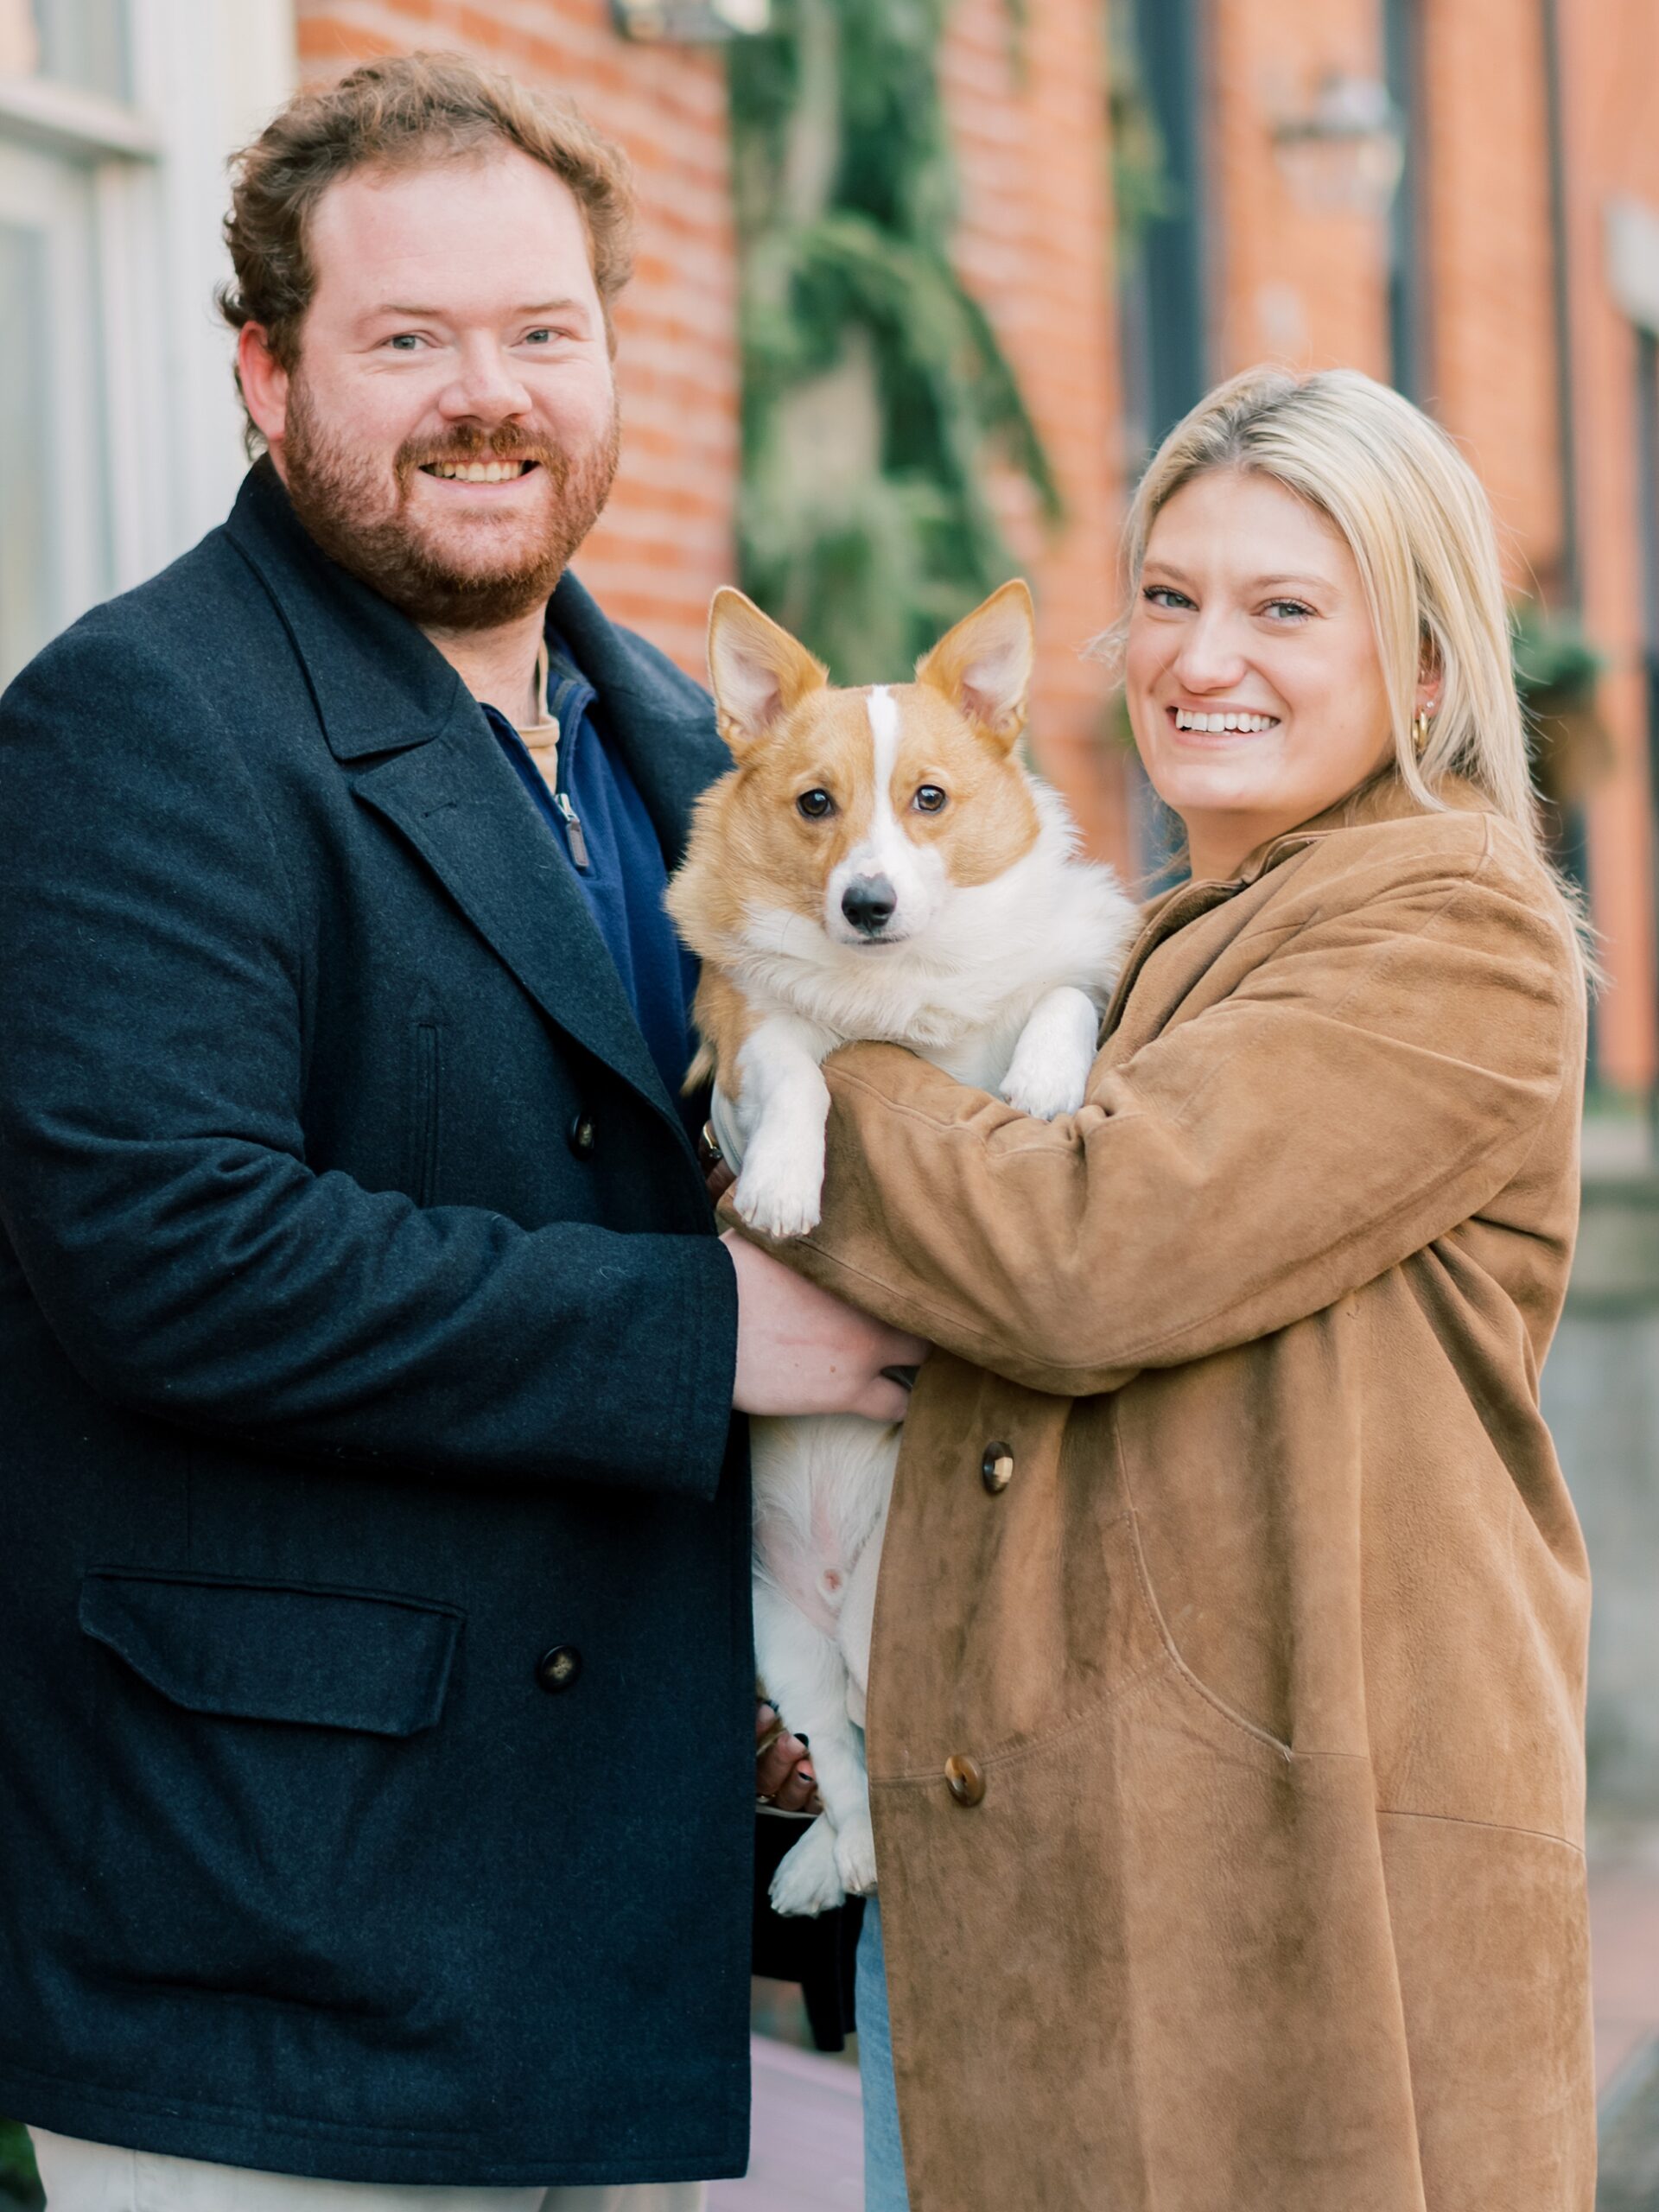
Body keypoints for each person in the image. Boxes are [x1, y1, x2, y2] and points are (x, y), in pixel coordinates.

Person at [0, 50, 921, 2212]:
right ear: (264, 370)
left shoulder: (700, 754)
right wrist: (713, 1332)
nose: (484, 393)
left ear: (614, 354)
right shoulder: (133, 722)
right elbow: (176, 1253)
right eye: (406, 339)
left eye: (539, 332)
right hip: (272, 1946)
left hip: (622, 1928)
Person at [734, 365, 1598, 2212]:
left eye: (1288, 605)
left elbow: (1079, 1251)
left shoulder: (1446, 923)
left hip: (1281, 1909)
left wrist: (793, 1039)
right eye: (1172, 594)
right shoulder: (1163, 939)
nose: (1208, 652)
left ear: (1428, 670)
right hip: (1032, 1899)